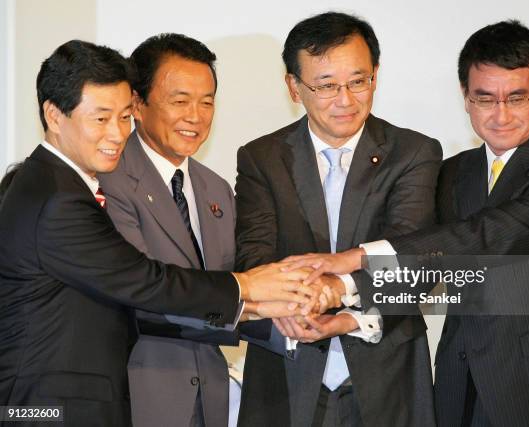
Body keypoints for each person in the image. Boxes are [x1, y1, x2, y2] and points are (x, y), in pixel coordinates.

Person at [286, 20, 529, 426]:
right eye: (485, 98)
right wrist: (351, 313)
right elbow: (427, 265)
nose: (501, 114)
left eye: (517, 97)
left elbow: (484, 237)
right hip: (461, 392)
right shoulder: (454, 172)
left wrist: (353, 260)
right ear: (465, 98)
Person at [0, 39, 317, 427]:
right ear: (54, 115)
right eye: (101, 119)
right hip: (52, 407)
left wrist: (274, 305)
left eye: (122, 118)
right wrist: (247, 288)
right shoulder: (58, 197)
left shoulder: (59, 185)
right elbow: (143, 282)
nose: (117, 133)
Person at [235, 12, 442, 427]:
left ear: (376, 76)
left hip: (387, 375)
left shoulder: (413, 153)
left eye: (358, 81)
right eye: (327, 85)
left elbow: (413, 258)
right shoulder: (262, 157)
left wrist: (336, 290)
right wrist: (287, 306)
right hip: (287, 373)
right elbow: (254, 253)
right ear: (294, 87)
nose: (345, 99)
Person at [98, 33, 269, 427]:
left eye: (207, 102)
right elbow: (141, 296)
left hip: (209, 396)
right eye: (180, 101)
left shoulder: (217, 189)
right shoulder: (110, 179)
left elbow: (230, 276)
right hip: (137, 396)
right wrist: (255, 299)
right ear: (137, 105)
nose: (196, 115)